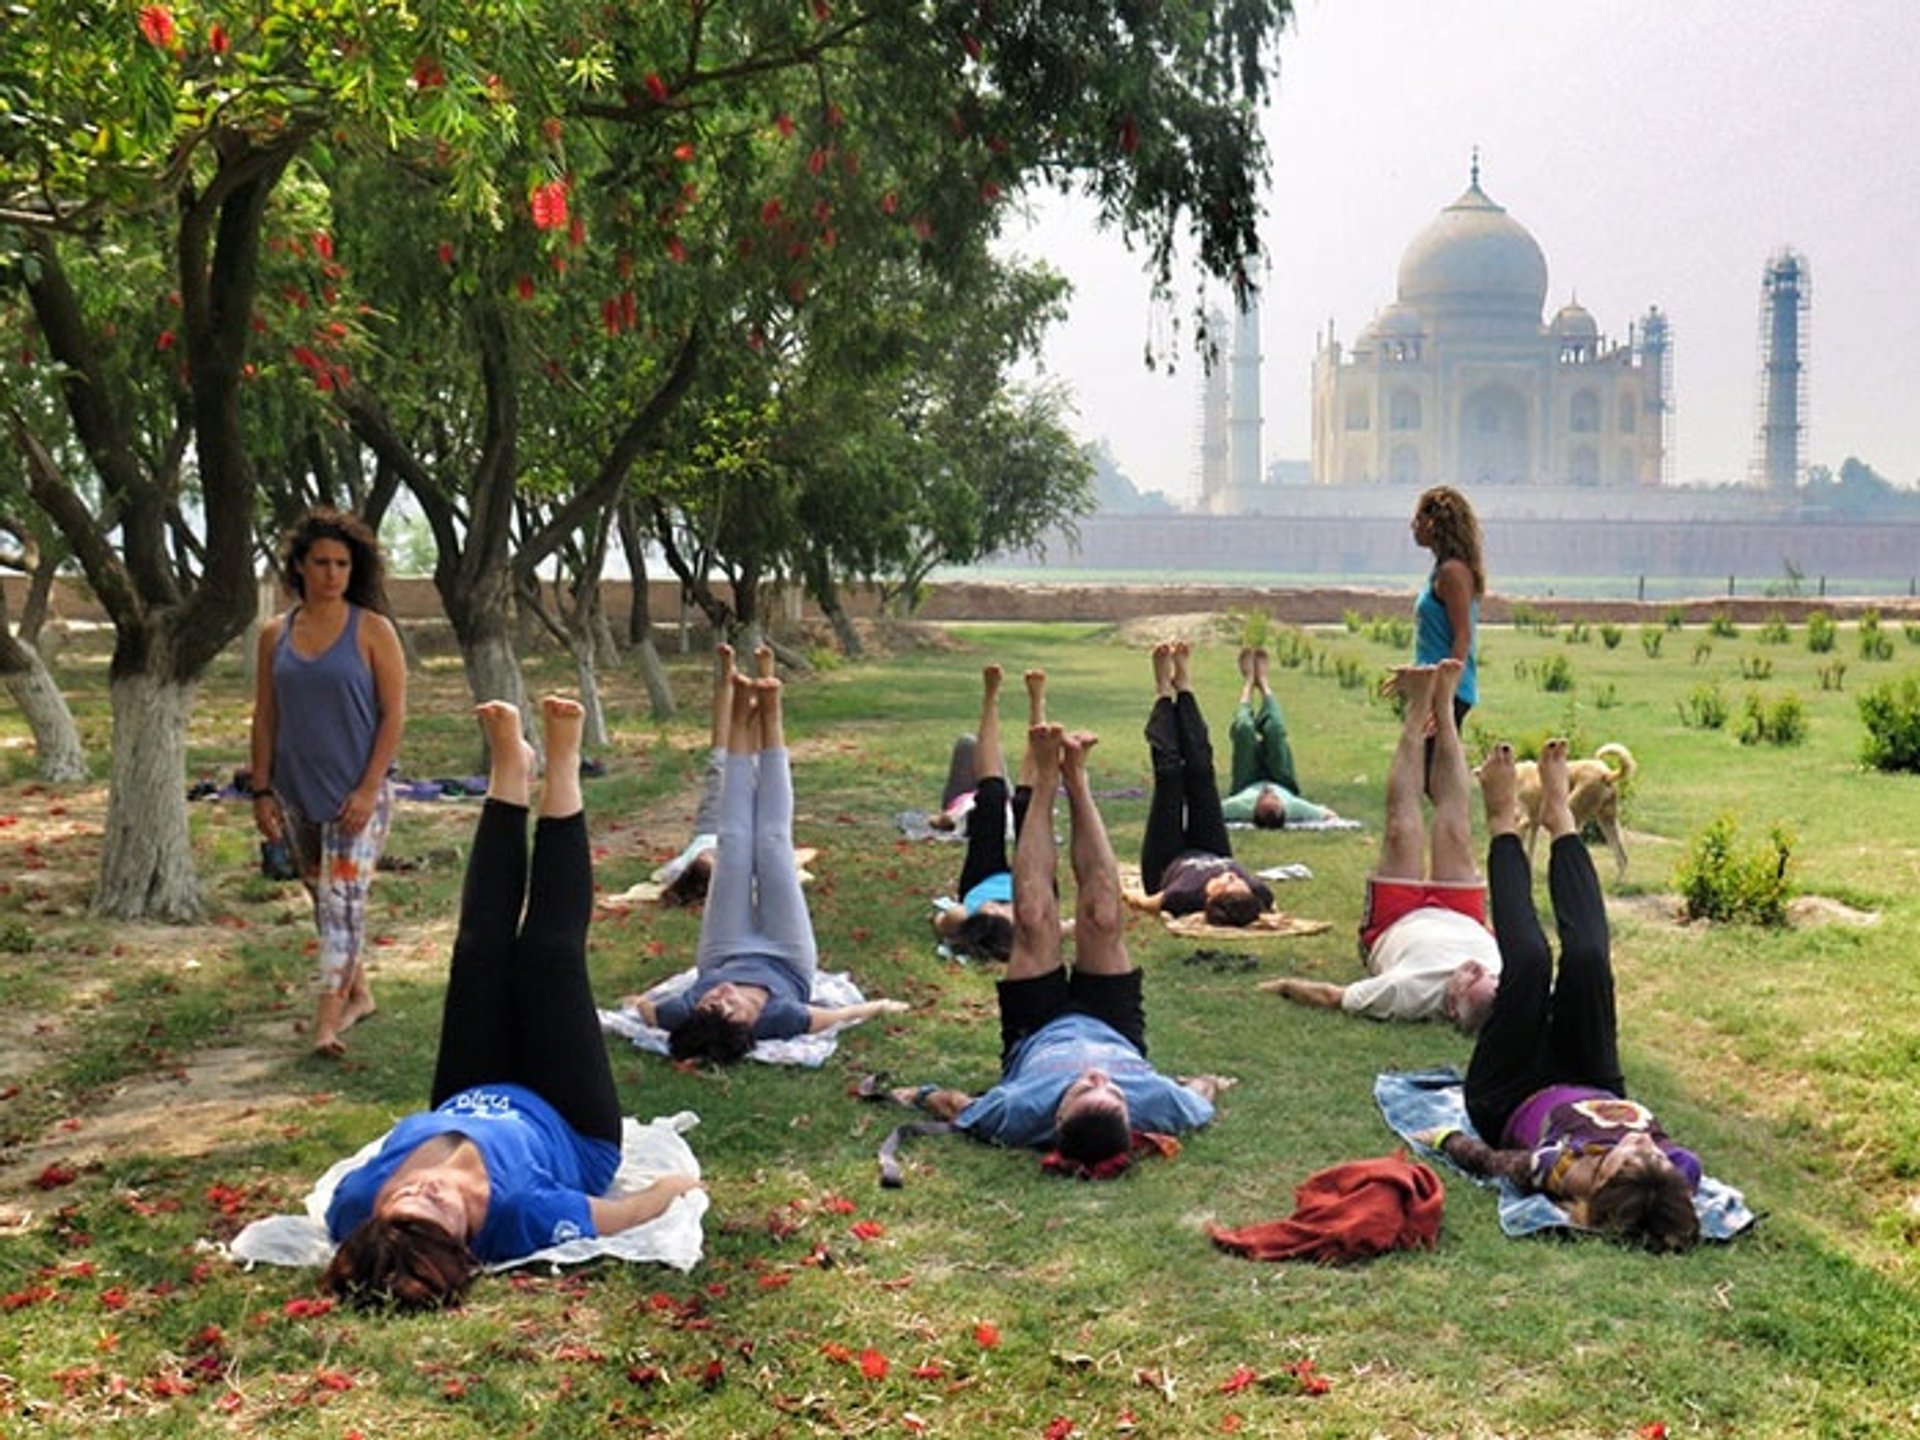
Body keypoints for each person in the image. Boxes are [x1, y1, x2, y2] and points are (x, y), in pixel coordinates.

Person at [322, 697, 705, 1309]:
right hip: (569, 1121)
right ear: (467, 1243)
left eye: (405, 1205)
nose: (428, 1192)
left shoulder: (352, 1204)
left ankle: (508, 771)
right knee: (549, 955)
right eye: (442, 1213)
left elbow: (379, 1235)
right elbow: (627, 1210)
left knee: (480, 948)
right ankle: (561, 767)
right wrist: (675, 1189)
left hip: (468, 1091)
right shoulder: (522, 1216)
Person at [900, 723, 1227, 1173]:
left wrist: (917, 1095)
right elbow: (1200, 1098)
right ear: (1130, 1114)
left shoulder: (1016, 1112)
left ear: (1055, 1118)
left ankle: (1045, 784)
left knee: (1033, 921)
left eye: (1080, 1090)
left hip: (1035, 1029)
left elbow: (958, 1106)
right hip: (1114, 1023)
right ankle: (1077, 778)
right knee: (1103, 917)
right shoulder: (1162, 1105)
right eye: (1112, 1090)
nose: (1097, 1078)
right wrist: (1208, 1082)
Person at [1422, 739, 1702, 1253]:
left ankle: (1503, 821)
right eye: (1654, 1156)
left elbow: (1489, 1162)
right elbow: (1670, 1201)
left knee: (1528, 961)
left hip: (1509, 1089)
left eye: (1628, 1158)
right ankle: (1562, 822)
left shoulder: (1560, 1171)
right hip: (1592, 1074)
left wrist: (1443, 1140)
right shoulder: (1676, 1175)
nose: (1641, 1143)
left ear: (1598, 1181)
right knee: (1590, 956)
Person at [623, 667, 909, 1063]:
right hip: (786, 954)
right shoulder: (782, 1017)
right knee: (774, 844)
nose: (719, 995)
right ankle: (771, 717)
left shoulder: (680, 1012)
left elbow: (644, 1008)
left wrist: (637, 1003)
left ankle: (740, 714)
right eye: (729, 1007)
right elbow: (839, 1015)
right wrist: (882, 1007)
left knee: (735, 843)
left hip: (722, 951)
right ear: (749, 1024)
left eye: (708, 1003)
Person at [1264, 659, 1500, 1029]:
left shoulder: (1406, 993)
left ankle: (1417, 707)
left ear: (1451, 1007)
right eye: (1486, 975)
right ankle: (1445, 707)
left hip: (1395, 920)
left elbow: (1333, 996)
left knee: (1400, 829)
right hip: (1465, 914)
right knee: (1456, 828)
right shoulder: (1508, 979)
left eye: (1469, 979)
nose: (1472, 968)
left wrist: (1280, 985)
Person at [250, 508, 407, 1057]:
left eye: (342, 563)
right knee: (324, 900)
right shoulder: (276, 634)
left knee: (343, 905)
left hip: (358, 796)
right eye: (321, 562)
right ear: (298, 566)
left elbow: (393, 716)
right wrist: (262, 790)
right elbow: (265, 715)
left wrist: (367, 789)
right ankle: (359, 993)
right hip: (294, 793)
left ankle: (326, 1024)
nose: (333, 573)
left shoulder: (372, 630)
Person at [1125, 641, 1274, 927]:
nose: (1234, 875)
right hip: (1211, 846)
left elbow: (1143, 902)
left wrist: (1117, 891)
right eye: (1240, 882)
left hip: (1166, 861)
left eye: (1229, 883)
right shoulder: (1257, 892)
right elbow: (1270, 908)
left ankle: (1163, 693)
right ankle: (1184, 685)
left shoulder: (1183, 895)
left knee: (1170, 777)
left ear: (1211, 898)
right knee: (1201, 771)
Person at [932, 665, 1048, 961]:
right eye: (1004, 912)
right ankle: (1037, 703)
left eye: (991, 911)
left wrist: (952, 923)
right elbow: (1073, 927)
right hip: (1034, 887)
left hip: (981, 878)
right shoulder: (1032, 919)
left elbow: (944, 920)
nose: (998, 905)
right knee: (1027, 803)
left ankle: (990, 700)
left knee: (992, 795)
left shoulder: (964, 915)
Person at [1220, 646, 1341, 829]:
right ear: (1282, 806)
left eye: (1265, 799)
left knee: (1244, 729)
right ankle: (1263, 683)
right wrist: (1326, 815)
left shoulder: (1240, 806)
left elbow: (1209, 813)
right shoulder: (1292, 806)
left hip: (1247, 780)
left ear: (1255, 809)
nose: (1268, 793)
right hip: (1281, 779)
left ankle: (1249, 683)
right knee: (1275, 730)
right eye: (1275, 799)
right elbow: (1327, 815)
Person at [1405, 484, 1486, 745]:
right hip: (1434, 687)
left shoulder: (1452, 573)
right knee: (1429, 774)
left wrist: (1444, 699)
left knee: (1438, 776)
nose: (1413, 526)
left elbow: (1462, 636)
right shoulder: (1443, 570)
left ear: (1433, 524)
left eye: (1418, 519)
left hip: (1447, 690)